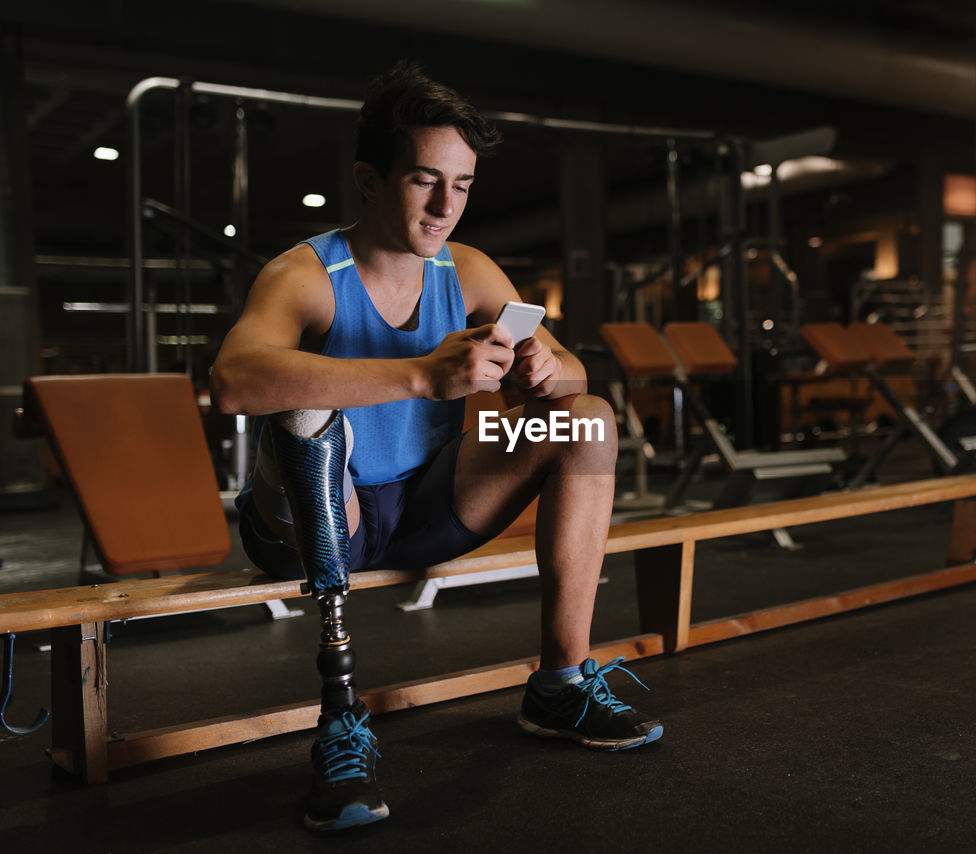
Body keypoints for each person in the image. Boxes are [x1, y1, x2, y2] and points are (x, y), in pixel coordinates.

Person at [210, 61, 662, 833]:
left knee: (586, 415)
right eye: (425, 180)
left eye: (462, 184)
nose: (447, 205)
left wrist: (549, 366)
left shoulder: (470, 269)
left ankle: (558, 682)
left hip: (427, 504)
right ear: (370, 178)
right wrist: (421, 376)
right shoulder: (308, 274)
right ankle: (339, 724)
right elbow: (232, 382)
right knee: (298, 417)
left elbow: (574, 372)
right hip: (322, 519)